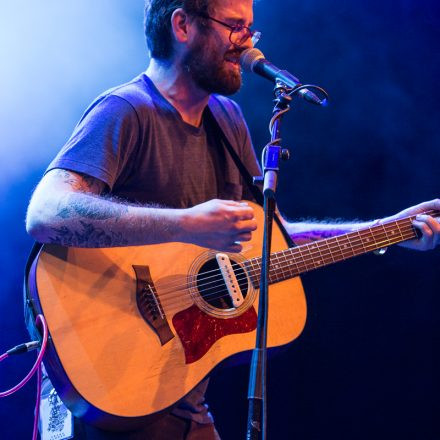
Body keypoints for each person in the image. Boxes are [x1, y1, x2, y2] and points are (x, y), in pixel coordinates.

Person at [25, 0, 440, 438]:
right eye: (235, 27)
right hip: (110, 382)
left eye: (251, 31)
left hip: (181, 395)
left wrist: (384, 231)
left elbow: (270, 241)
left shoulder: (227, 119)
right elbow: (47, 213)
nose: (248, 44)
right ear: (183, 25)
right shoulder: (126, 110)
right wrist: (186, 224)